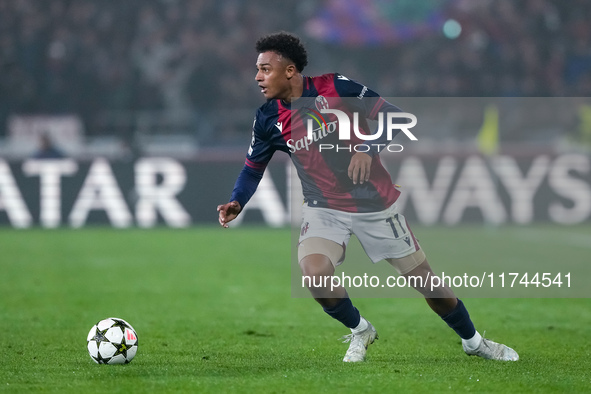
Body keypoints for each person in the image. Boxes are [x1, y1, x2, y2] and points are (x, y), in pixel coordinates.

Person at [217, 31, 518, 363]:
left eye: (265, 69)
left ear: (289, 70)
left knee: (431, 288)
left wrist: (366, 148)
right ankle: (361, 330)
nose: (258, 77)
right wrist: (237, 200)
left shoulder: (336, 87)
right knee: (315, 275)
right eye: (257, 70)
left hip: (375, 206)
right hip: (323, 208)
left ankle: (474, 341)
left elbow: (395, 117)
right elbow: (252, 168)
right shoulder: (267, 118)